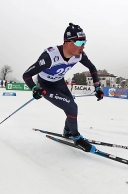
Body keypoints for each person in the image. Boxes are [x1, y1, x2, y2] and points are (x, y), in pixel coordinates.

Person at [23, 23, 104, 153]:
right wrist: (34, 88)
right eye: (78, 42)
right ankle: (76, 138)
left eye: (84, 42)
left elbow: (92, 68)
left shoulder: (80, 54)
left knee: (71, 105)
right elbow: (26, 75)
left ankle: (67, 131)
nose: (82, 46)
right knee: (72, 107)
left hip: (59, 82)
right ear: (66, 42)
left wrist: (97, 87)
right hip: (46, 85)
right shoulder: (49, 57)